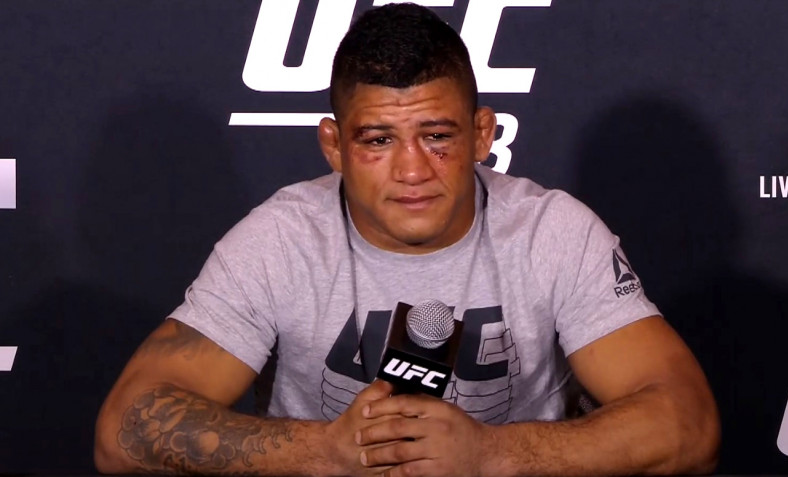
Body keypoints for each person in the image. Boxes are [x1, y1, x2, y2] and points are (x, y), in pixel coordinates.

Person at [94, 3, 719, 476]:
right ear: (334, 146)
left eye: (437, 136)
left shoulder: (552, 233)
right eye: (378, 140)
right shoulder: (280, 241)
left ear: (482, 134)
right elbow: (123, 430)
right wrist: (325, 451)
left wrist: (491, 455)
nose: (413, 170)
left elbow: (688, 424)